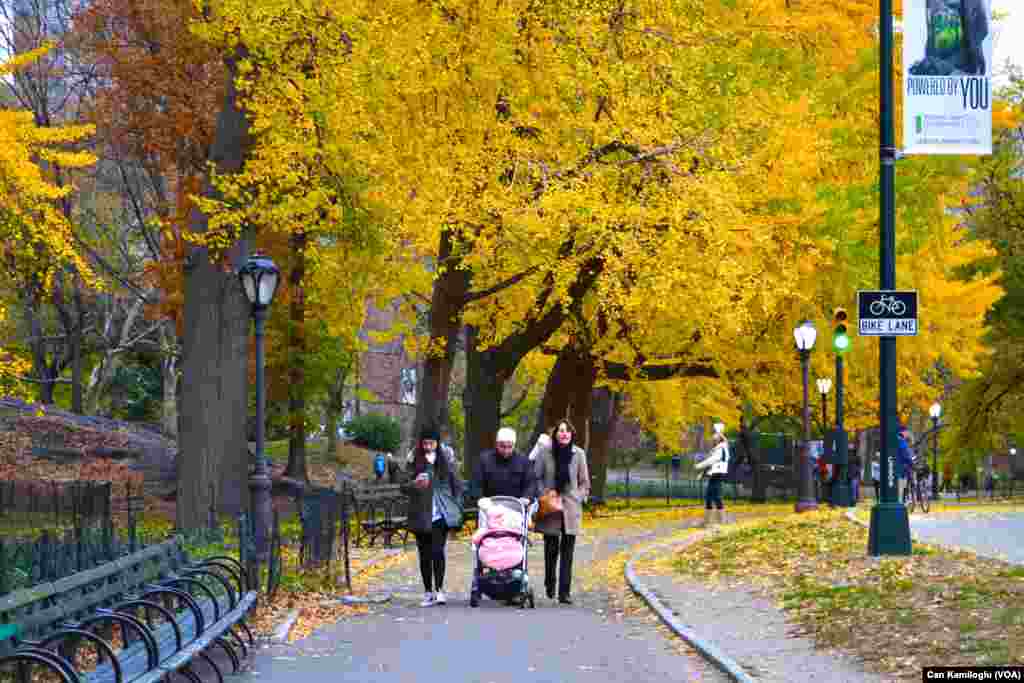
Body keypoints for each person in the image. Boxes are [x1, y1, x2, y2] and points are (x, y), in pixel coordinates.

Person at [469, 427, 538, 607]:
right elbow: (475, 485)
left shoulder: (523, 462)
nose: (506, 450)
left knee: (514, 544)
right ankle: (487, 579)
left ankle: (515, 583)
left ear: (514, 445)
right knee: (489, 544)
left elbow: (531, 483)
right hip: (490, 512)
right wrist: (481, 500)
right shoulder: (484, 460)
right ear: (496, 444)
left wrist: (526, 498)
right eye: (502, 446)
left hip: (515, 512)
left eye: (509, 447)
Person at [401, 426, 464, 607]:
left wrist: (455, 505)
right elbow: (403, 486)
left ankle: (440, 590)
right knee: (424, 554)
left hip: (440, 514)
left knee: (438, 552)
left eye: (432, 443)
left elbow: (456, 485)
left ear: (438, 443)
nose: (428, 447)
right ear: (420, 444)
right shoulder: (413, 461)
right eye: (425, 443)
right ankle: (428, 591)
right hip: (420, 513)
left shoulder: (445, 461)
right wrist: (415, 483)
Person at [535, 419, 590, 605]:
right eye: (560, 431)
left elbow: (584, 482)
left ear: (572, 434)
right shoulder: (545, 453)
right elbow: (537, 478)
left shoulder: (579, 454)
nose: (564, 434)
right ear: (555, 434)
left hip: (571, 507)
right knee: (551, 549)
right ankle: (550, 582)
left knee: (568, 551)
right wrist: (544, 494)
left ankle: (564, 592)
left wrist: (579, 496)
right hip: (551, 506)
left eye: (567, 431)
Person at [695, 431, 729, 525]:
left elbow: (712, 461)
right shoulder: (718, 449)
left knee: (716, 497)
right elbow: (712, 464)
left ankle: (721, 522)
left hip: (718, 474)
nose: (713, 439)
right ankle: (706, 522)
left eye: (715, 437)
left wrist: (699, 466)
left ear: (719, 439)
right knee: (709, 497)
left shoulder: (721, 448)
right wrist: (703, 473)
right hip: (715, 474)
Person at [897, 426, 914, 503]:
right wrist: (911, 463)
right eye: (907, 432)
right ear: (903, 432)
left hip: (896, 468)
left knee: (901, 488)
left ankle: (902, 501)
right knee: (901, 488)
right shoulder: (902, 441)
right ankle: (901, 504)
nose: (908, 434)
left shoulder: (897, 440)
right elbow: (906, 455)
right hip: (901, 469)